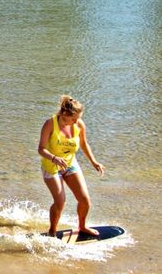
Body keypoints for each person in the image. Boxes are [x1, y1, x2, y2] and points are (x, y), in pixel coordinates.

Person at [38, 95, 105, 237]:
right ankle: (52, 232)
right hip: (51, 166)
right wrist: (54, 158)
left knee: (85, 200)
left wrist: (94, 162)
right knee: (60, 202)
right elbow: (41, 149)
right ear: (64, 114)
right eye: (74, 119)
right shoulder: (50, 123)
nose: (77, 121)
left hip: (70, 164)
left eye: (78, 118)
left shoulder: (79, 124)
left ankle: (82, 226)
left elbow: (84, 144)